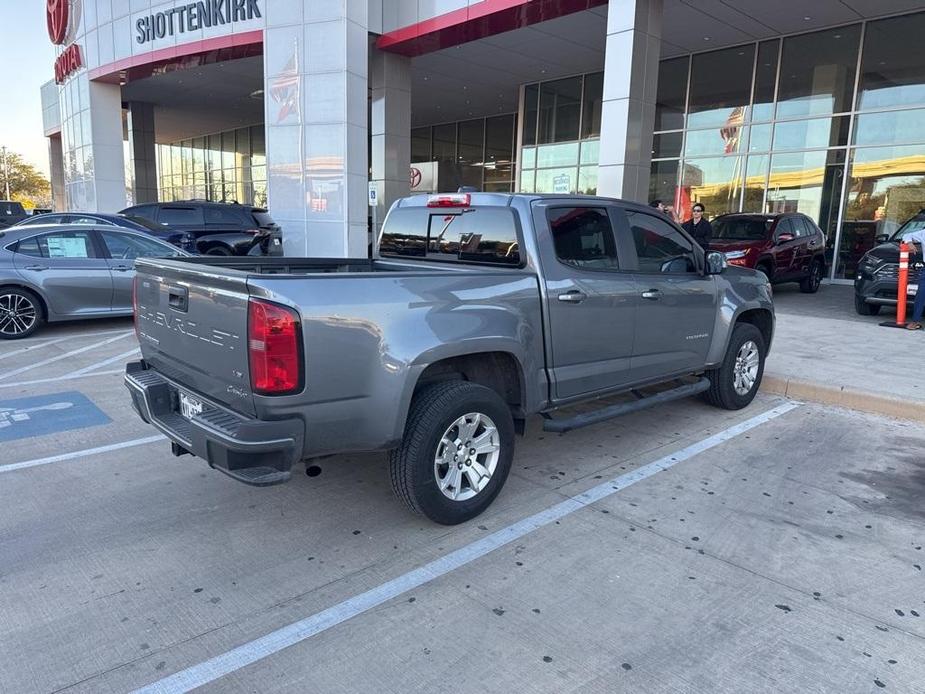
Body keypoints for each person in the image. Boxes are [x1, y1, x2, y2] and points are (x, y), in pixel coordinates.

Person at [903, 227, 925, 330]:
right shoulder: (923, 233)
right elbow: (906, 235)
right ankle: (915, 321)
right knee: (921, 293)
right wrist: (910, 243)